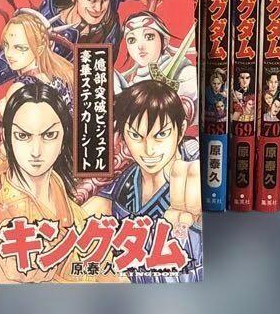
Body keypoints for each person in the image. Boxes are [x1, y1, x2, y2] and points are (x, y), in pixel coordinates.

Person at [82, 81, 202, 283]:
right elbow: (89, 213)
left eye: (161, 135)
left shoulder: (192, 167)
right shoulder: (125, 182)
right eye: (136, 136)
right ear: (123, 135)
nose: (149, 149)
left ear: (180, 130)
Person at [0, 82, 92, 284]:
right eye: (23, 136)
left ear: (63, 139)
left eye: (49, 135)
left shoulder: (73, 209)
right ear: (7, 138)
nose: (36, 151)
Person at [114, 11, 199, 125]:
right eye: (132, 40)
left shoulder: (186, 73)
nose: (140, 46)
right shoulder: (132, 84)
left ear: (165, 41)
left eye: (149, 36)